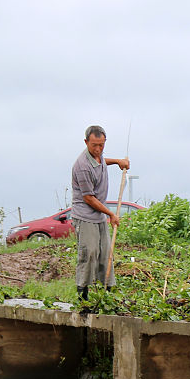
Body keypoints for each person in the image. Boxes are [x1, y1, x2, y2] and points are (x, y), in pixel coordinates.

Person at [71, 125, 130, 299]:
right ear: (86, 142)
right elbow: (89, 198)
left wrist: (118, 161)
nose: (98, 149)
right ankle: (83, 296)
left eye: (101, 145)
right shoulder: (82, 165)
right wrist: (111, 214)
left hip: (98, 215)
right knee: (89, 253)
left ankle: (108, 296)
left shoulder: (98, 157)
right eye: (94, 145)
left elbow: (101, 161)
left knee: (105, 252)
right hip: (85, 216)